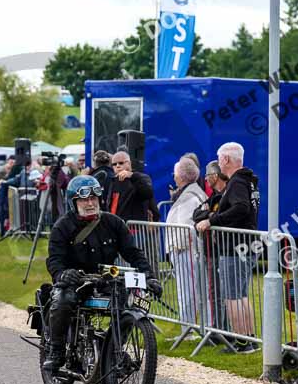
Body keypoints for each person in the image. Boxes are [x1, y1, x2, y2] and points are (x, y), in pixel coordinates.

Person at [43, 175, 162, 372]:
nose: (90, 203)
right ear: (74, 202)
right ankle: (56, 351)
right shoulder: (62, 226)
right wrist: (63, 275)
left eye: (94, 198)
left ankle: (113, 351)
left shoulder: (114, 223)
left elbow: (133, 253)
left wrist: (149, 276)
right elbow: (54, 259)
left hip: (104, 279)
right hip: (75, 280)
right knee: (63, 299)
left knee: (126, 299)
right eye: (84, 199)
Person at [195, 142, 260, 353]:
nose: (218, 164)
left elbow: (241, 208)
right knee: (240, 295)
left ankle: (242, 342)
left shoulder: (237, 182)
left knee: (232, 296)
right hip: (244, 245)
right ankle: (249, 338)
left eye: (219, 158)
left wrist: (213, 220)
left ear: (226, 160)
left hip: (234, 247)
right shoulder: (247, 180)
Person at [165, 158, 206, 327]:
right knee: (189, 288)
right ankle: (189, 326)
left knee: (187, 289)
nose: (174, 176)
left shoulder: (188, 196)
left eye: (176, 173)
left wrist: (177, 246)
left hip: (184, 249)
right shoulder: (191, 192)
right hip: (187, 248)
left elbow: (185, 225)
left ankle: (187, 328)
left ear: (181, 176)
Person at [108, 151, 154, 223]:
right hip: (116, 226)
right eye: (114, 164)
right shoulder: (113, 181)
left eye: (121, 163)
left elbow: (148, 193)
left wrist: (132, 176)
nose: (117, 166)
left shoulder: (140, 177)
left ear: (129, 163)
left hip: (134, 228)